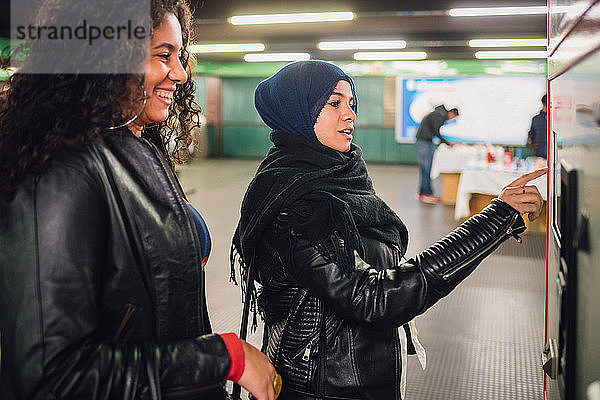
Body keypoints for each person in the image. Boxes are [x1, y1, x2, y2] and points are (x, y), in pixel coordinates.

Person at [0, 1, 278, 399]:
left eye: (181, 57)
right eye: (164, 56)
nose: (180, 74)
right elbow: (51, 377)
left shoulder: (139, 149)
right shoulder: (60, 173)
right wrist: (222, 358)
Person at [230, 60, 545, 400]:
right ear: (297, 114)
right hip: (324, 388)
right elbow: (374, 298)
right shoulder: (298, 206)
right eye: (334, 103)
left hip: (359, 378)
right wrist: (494, 219)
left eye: (351, 104)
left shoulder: (341, 179)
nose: (350, 115)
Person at [415, 105, 458, 203]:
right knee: (427, 168)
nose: (451, 119)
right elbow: (436, 132)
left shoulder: (437, 113)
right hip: (425, 143)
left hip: (422, 141)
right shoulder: (440, 116)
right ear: (451, 113)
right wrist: (447, 143)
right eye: (453, 118)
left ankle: (422, 192)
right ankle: (427, 193)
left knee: (424, 168)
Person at [527, 94, 547, 158]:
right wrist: (531, 143)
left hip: (541, 155)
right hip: (538, 156)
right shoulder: (536, 119)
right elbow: (529, 140)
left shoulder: (536, 119)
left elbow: (530, 139)